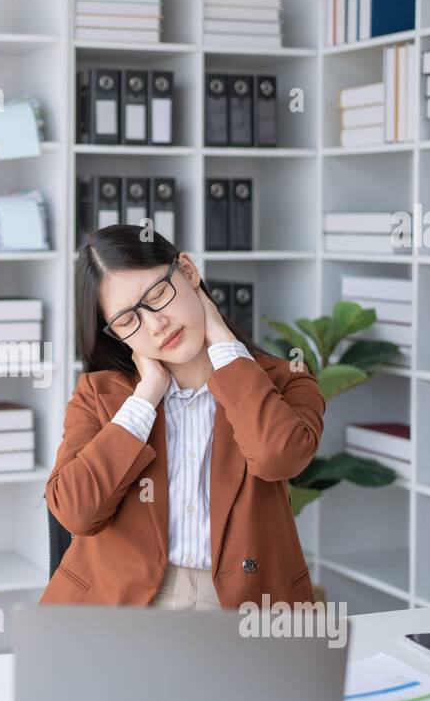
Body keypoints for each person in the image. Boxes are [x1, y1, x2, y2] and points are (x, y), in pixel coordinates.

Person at [41, 224, 324, 611]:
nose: (156, 325)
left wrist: (224, 345)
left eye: (158, 295)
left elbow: (279, 457)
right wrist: (145, 397)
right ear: (116, 336)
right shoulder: (99, 393)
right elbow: (75, 511)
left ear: (188, 271)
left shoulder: (284, 378)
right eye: (128, 321)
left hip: (243, 609)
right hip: (119, 608)